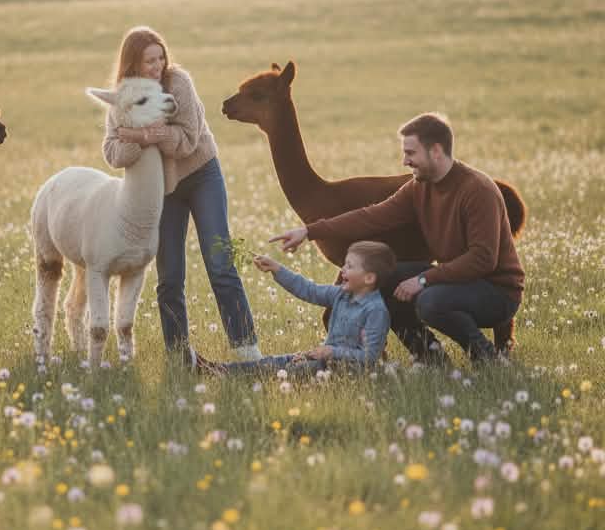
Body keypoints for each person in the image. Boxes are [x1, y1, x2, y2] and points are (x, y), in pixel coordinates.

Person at [271, 113, 523, 365]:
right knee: (379, 278)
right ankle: (430, 357)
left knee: (430, 301)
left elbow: (482, 259)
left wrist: (423, 279)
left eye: (411, 153)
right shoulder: (420, 187)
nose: (405, 161)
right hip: (458, 280)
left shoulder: (477, 190)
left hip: (496, 292)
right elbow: (371, 217)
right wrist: (309, 231)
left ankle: (486, 357)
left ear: (436, 151)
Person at [102, 26, 262, 364]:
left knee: (220, 263)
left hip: (202, 175)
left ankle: (247, 350)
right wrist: (141, 138)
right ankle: (178, 357)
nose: (157, 66)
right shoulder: (122, 97)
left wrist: (145, 134)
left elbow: (188, 141)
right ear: (133, 63)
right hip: (163, 192)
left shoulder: (179, 83)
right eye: (149, 61)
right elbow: (113, 153)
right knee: (170, 276)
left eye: (160, 58)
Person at [218, 240, 395, 376]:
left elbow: (369, 357)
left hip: (350, 371)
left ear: (369, 278)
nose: (342, 269)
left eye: (349, 266)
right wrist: (277, 268)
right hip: (326, 360)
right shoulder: (340, 294)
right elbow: (309, 290)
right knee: (284, 360)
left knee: (297, 369)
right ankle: (222, 370)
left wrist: (331, 352)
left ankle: (255, 376)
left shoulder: (375, 311)